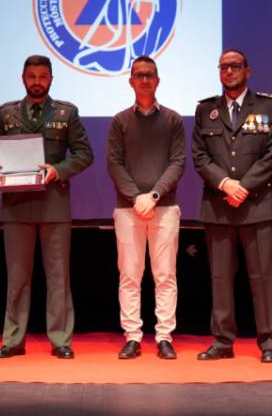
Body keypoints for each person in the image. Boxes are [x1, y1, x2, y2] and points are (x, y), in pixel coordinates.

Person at [0, 54, 93, 360]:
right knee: (17, 278)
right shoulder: (6, 113)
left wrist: (59, 169)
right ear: (23, 78)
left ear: (51, 79)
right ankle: (13, 340)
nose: (37, 82)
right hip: (16, 206)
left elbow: (84, 154)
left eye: (43, 77)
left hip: (54, 204)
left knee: (58, 277)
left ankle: (61, 340)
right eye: (32, 77)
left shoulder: (66, 113)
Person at [191, 49, 272, 363]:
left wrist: (244, 186)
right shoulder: (206, 110)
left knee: (264, 278)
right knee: (220, 278)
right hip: (219, 205)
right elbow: (200, 156)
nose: (229, 72)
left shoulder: (268, 106)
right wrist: (225, 184)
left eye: (234, 66)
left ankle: (270, 343)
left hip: (258, 204)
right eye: (224, 67)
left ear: (247, 70)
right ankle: (222, 342)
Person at [107, 56, 185, 360]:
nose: (144, 80)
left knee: (165, 275)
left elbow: (177, 162)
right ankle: (133, 337)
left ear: (158, 80)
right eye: (139, 75)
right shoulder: (119, 121)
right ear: (130, 82)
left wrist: (152, 196)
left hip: (164, 207)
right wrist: (135, 197)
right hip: (127, 210)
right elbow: (115, 164)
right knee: (130, 275)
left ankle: (164, 336)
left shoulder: (173, 120)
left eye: (149, 75)